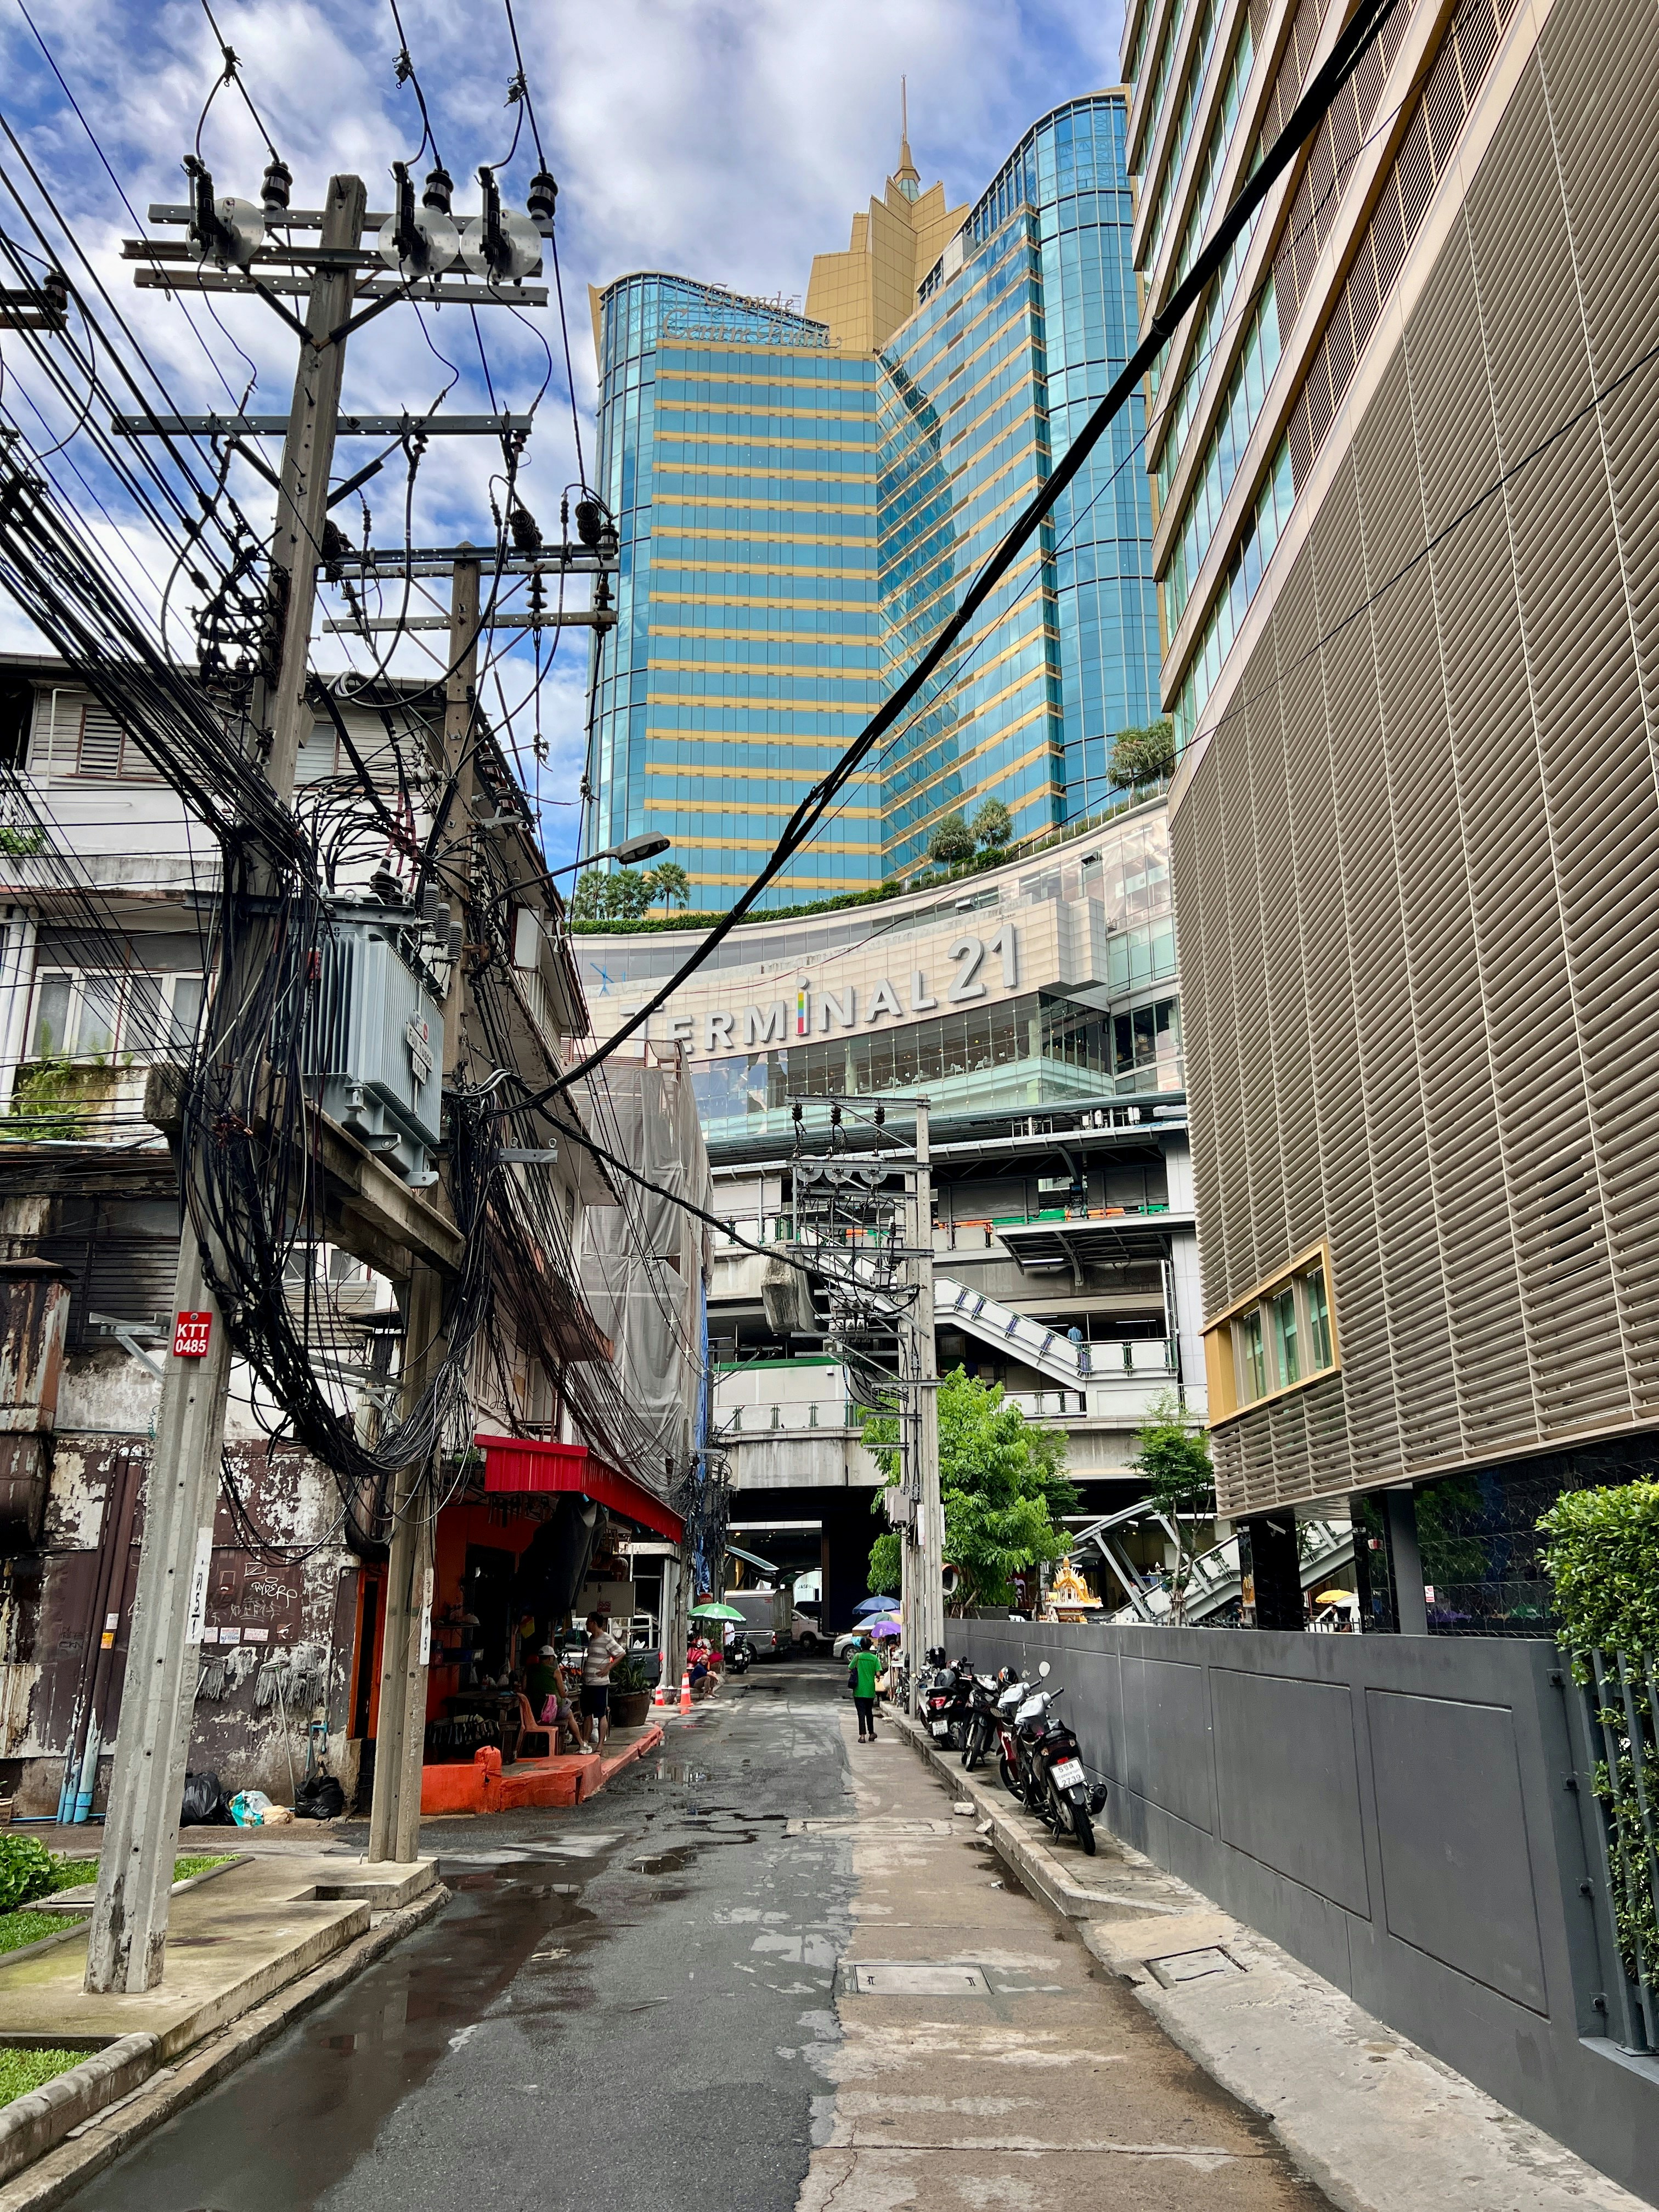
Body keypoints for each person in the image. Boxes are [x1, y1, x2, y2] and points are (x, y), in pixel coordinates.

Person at [580, 1611, 625, 1747]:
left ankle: (600, 1745)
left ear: (594, 1623)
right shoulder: (592, 1639)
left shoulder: (606, 1639)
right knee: (587, 1714)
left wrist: (608, 1668)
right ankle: (585, 1743)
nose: (586, 1624)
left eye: (588, 1622)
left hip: (599, 1683)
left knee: (601, 1714)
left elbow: (621, 1653)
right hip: (588, 1682)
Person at [848, 1633, 884, 1743]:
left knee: (861, 1713)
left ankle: (862, 1736)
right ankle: (872, 1733)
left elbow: (850, 1669)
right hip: (869, 1690)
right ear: (870, 1646)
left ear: (861, 1647)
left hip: (859, 1690)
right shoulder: (874, 1658)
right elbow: (878, 1674)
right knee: (869, 1712)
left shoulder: (858, 1657)